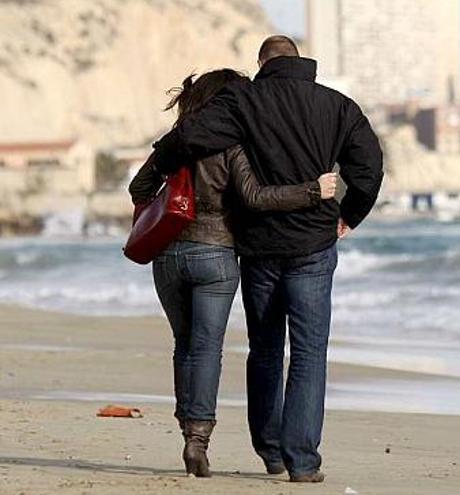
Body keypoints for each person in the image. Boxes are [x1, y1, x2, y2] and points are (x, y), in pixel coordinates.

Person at [147, 36, 384, 482]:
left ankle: (271, 453)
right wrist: (350, 216)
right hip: (313, 246)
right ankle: (303, 462)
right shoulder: (338, 106)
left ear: (261, 63)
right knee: (310, 354)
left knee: (266, 350)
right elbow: (369, 168)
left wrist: (157, 167)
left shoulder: (244, 101)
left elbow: (191, 137)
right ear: (300, 61)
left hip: (258, 249)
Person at [128, 69, 339, 478]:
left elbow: (139, 189)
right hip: (215, 256)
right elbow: (256, 199)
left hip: (168, 256)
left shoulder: (174, 144)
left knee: (184, 345)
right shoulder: (230, 145)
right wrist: (313, 190)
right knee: (207, 348)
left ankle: (187, 430)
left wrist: (171, 208)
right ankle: (198, 440)